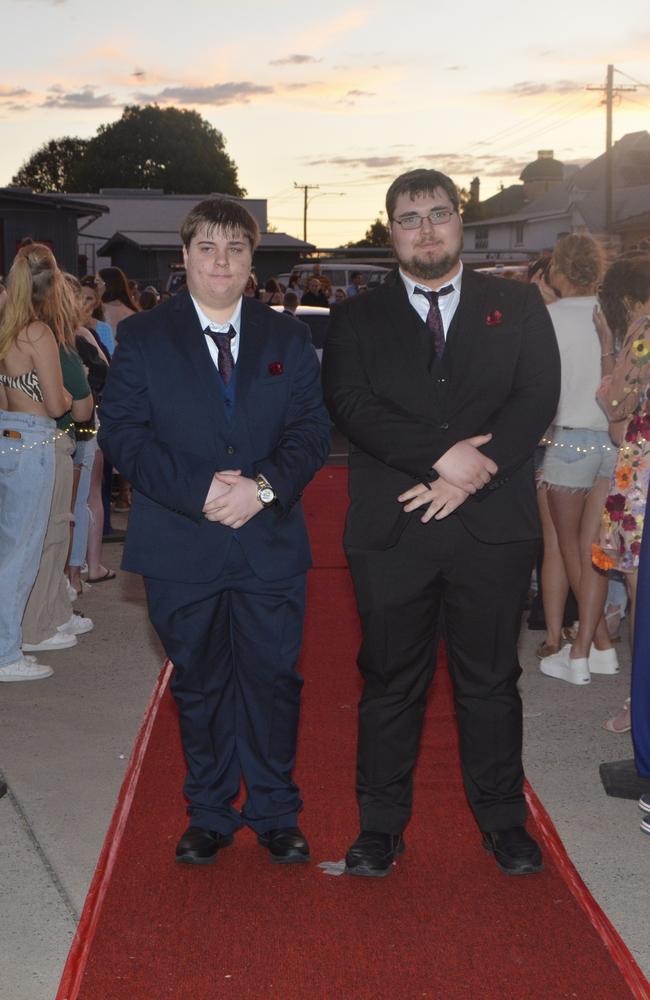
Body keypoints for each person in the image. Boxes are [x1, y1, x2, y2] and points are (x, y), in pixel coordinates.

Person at [322, 167, 560, 878]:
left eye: (438, 213)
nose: (426, 228)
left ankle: (503, 822)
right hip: (395, 530)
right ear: (390, 231)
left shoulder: (516, 304)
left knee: (490, 683)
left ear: (460, 221)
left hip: (491, 525)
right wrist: (441, 459)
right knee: (392, 681)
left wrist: (471, 476)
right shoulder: (357, 316)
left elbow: (536, 395)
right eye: (409, 217)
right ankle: (380, 828)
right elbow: (350, 403)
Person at [99, 197, 330, 866]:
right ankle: (209, 811)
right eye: (208, 248)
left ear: (252, 260)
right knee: (198, 682)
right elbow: (121, 434)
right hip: (180, 542)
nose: (221, 261)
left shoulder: (288, 337)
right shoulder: (143, 336)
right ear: (186, 256)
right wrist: (200, 491)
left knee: (272, 680)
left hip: (269, 540)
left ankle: (274, 810)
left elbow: (312, 433)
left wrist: (259, 489)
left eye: (235, 249)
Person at [537, 235, 618, 685]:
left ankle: (596, 648)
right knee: (596, 552)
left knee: (570, 549)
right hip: (611, 441)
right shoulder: (614, 316)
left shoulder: (545, 318)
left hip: (567, 442)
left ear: (557, 270)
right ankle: (598, 648)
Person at [0, 243, 73, 681]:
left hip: (5, 434)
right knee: (22, 553)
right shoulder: (37, 334)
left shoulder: (4, 330)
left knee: (9, 547)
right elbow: (55, 401)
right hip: (32, 442)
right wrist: (66, 396)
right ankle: (6, 653)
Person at [591, 254, 650, 733]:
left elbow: (615, 406)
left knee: (640, 596)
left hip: (643, 475)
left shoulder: (643, 328)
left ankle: (642, 706)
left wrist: (608, 343)